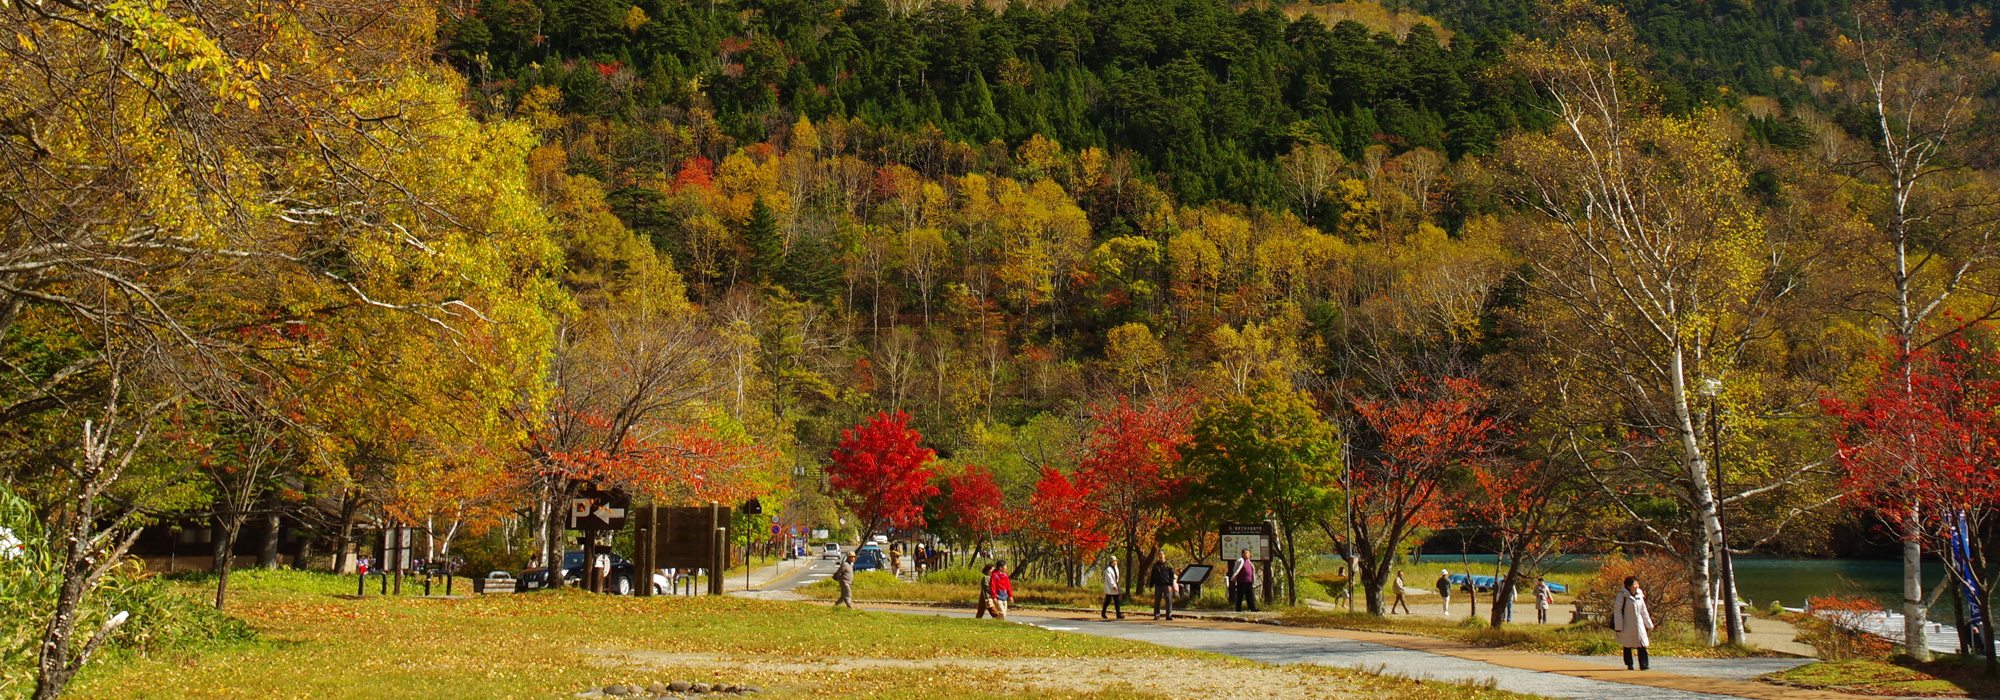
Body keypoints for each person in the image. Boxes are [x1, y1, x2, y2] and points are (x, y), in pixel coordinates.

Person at [1612, 576, 1655, 670]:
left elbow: (1644, 611)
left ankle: (1644, 665)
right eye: (1634, 584)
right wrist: (1618, 626)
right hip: (1626, 623)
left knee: (1642, 643)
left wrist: (1649, 624)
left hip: (1639, 624)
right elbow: (1617, 611)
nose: (1637, 586)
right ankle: (1629, 664)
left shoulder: (1640, 595)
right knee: (1627, 644)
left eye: (1637, 584)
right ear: (1628, 586)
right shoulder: (1622, 596)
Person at [1149, 556, 1178, 620]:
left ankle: (1168, 615)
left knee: (1168, 600)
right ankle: (1157, 614)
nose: (1160, 556)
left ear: (1164, 555)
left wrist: (1170, 585)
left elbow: (1171, 575)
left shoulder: (1168, 565)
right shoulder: (1155, 565)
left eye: (1161, 555)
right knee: (1157, 601)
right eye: (1159, 555)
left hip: (1166, 585)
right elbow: (1153, 575)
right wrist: (1151, 585)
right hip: (1158, 585)